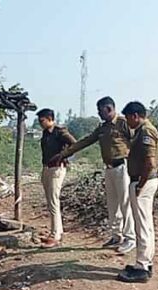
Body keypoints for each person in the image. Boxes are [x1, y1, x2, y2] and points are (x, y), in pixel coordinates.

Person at [49, 96, 135, 254]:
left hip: (123, 167)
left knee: (125, 203)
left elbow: (135, 141)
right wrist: (65, 153)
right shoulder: (102, 128)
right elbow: (86, 141)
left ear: (109, 109)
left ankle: (130, 238)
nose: (98, 114)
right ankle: (116, 236)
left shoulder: (123, 123)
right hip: (109, 169)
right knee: (112, 204)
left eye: (100, 111)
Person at [116, 101, 158, 283]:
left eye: (128, 118)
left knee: (142, 226)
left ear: (135, 116)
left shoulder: (145, 131)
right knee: (146, 225)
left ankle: (142, 266)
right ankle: (145, 262)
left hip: (143, 181)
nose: (127, 122)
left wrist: (140, 185)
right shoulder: (143, 130)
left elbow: (149, 162)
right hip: (145, 181)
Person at [37, 108, 77, 248]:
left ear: (49, 119)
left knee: (54, 201)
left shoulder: (60, 132)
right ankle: (57, 231)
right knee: (50, 202)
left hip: (57, 168)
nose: (40, 123)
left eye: (42, 120)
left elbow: (74, 144)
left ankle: (55, 235)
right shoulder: (45, 133)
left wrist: (62, 156)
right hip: (47, 167)